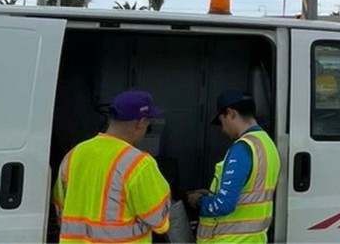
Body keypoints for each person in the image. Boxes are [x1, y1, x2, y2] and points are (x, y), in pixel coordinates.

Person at [52, 90, 172, 243]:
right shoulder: (138, 163)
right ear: (140, 123)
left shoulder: (74, 155)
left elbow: (60, 207)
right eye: (147, 126)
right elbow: (159, 222)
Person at [189, 91, 282, 243]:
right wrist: (211, 194)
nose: (223, 129)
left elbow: (224, 205)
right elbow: (249, 192)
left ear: (231, 114)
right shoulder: (268, 145)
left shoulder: (243, 148)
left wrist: (198, 201)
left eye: (222, 121)